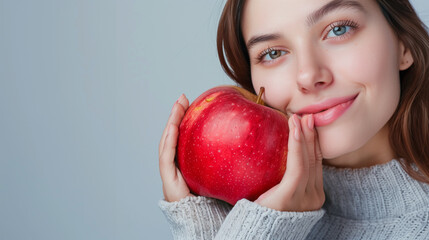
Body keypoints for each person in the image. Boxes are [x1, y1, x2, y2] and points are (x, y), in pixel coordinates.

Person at [158, 0, 429, 239]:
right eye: (273, 53)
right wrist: (205, 224)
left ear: (403, 43)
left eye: (338, 29)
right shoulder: (248, 218)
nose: (308, 76)